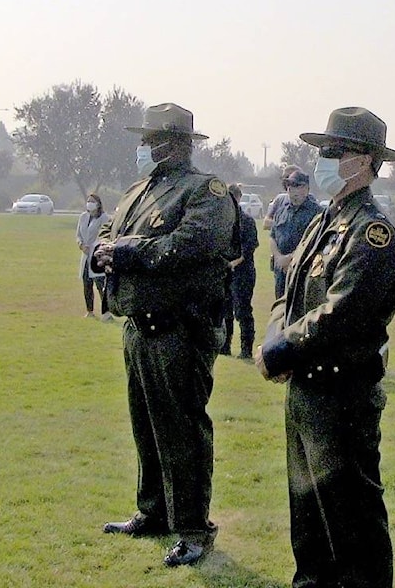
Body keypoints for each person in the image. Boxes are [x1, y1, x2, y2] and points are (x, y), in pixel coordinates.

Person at [257, 107, 395, 588]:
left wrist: (282, 350)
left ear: (365, 161)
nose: (322, 160)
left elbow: (343, 313)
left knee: (350, 521)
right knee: (307, 518)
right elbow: (290, 289)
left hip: (342, 395)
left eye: (334, 152)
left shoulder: (371, 233)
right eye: (320, 151)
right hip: (306, 391)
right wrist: (273, 338)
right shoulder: (324, 222)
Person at [93, 103, 240, 568]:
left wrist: (128, 252)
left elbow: (193, 245)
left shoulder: (205, 192)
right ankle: (152, 511)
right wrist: (103, 251)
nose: (142, 148)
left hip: (179, 331)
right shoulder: (138, 192)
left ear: (171, 143)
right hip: (138, 330)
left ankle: (193, 528)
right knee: (146, 427)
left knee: (181, 431)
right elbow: (112, 238)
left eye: (148, 140)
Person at [269, 169, 322, 297]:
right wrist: (279, 258)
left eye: (296, 185)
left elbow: (316, 242)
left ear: (306, 188)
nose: (292, 190)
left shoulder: (316, 212)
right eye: (289, 186)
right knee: (279, 311)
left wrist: (292, 258)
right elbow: (272, 236)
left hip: (302, 272)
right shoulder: (282, 210)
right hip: (281, 271)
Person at [221, 182, 259, 359]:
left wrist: (230, 264)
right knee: (225, 310)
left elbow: (247, 251)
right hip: (226, 272)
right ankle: (225, 346)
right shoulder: (223, 220)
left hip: (243, 273)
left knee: (242, 311)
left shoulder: (247, 221)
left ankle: (246, 349)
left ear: (238, 198)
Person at [76, 193, 112, 321]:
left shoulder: (104, 218)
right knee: (87, 283)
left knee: (100, 284)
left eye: (92, 201)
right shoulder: (83, 217)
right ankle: (89, 311)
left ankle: (106, 312)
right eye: (88, 201)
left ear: (98, 204)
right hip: (85, 255)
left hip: (97, 256)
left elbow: (106, 236)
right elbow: (78, 234)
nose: (89, 203)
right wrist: (81, 244)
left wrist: (95, 247)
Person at [263, 164, 302, 230]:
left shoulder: (309, 201)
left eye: (288, 178)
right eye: (284, 179)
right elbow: (266, 223)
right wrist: (283, 225)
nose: (285, 182)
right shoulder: (280, 199)